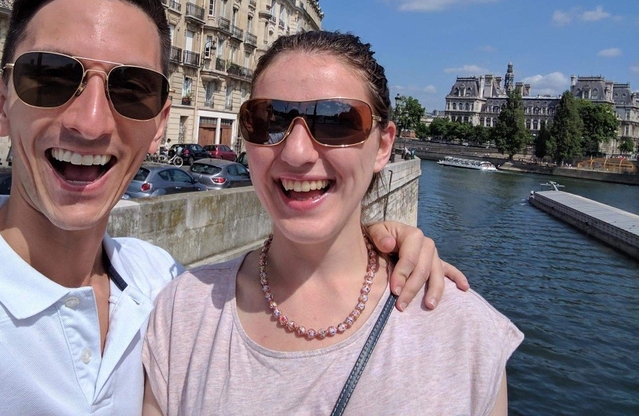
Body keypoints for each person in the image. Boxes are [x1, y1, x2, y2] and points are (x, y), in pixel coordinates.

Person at [0, 0, 461, 415]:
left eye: (131, 89)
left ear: (159, 122)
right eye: (51, 79)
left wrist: (384, 240)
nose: (88, 121)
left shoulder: (163, 287)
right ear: (1, 105)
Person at [142, 31, 522, 415]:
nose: (296, 152)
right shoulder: (180, 313)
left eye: (337, 122)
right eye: (269, 120)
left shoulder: (467, 335)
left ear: (384, 146)